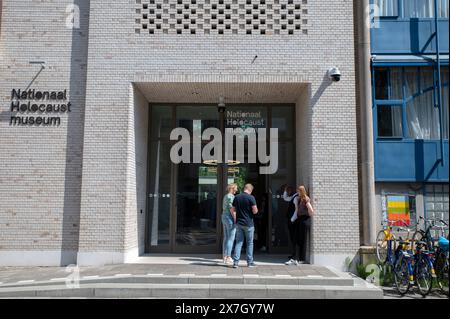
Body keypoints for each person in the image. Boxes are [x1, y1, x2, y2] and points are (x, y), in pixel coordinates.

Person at [231, 183, 258, 268]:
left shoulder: (237, 197)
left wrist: (236, 218)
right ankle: (249, 262)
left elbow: (233, 209)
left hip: (239, 223)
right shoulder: (251, 197)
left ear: (244, 188)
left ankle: (235, 262)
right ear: (250, 190)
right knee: (249, 243)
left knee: (239, 243)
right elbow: (255, 211)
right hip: (249, 224)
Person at [285, 185, 314, 265]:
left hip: (304, 220)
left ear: (301, 191)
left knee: (302, 239)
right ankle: (297, 257)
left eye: (298, 191)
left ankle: (301, 258)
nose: (297, 192)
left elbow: (311, 210)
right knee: (297, 238)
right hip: (300, 219)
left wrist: (309, 215)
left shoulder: (305, 199)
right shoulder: (300, 199)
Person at [221, 183, 238, 264]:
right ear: (232, 188)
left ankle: (224, 256)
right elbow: (232, 209)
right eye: (236, 188)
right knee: (231, 238)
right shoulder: (230, 196)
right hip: (229, 217)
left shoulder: (225, 196)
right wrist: (235, 219)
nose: (237, 190)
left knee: (226, 237)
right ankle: (228, 256)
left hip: (224, 216)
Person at [282, 185, 298, 260]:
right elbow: (285, 198)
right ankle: (293, 253)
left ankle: (295, 254)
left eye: (288, 190)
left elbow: (296, 210)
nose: (288, 192)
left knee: (293, 236)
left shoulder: (295, 197)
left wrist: (292, 219)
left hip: (293, 220)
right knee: (292, 236)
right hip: (290, 219)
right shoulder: (293, 197)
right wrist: (285, 190)